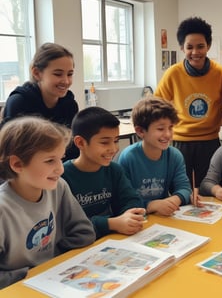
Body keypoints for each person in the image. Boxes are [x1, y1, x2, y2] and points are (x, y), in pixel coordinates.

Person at [0, 116, 95, 289]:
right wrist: (29, 274)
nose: (61, 168)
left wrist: (55, 260)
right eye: (50, 160)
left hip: (53, 279)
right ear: (17, 164)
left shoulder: (58, 186)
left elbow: (84, 233)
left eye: (61, 158)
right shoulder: (3, 208)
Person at [154, 17, 222, 187]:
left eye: (200, 46)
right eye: (189, 47)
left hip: (210, 142)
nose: (195, 52)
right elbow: (157, 106)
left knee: (210, 188)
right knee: (180, 189)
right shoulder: (173, 73)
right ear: (182, 48)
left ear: (208, 46)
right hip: (181, 142)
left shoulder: (221, 74)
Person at [63, 107, 146, 239]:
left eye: (116, 141)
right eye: (104, 142)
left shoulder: (114, 170)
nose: (113, 149)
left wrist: (131, 215)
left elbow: (131, 200)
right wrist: (110, 223)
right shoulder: (63, 178)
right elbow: (67, 225)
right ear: (80, 142)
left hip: (113, 239)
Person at [1, 42, 79, 160]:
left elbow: (72, 149)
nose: (66, 81)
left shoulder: (69, 104)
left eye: (70, 74)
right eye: (58, 74)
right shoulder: (19, 102)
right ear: (37, 73)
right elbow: (12, 153)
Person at [117, 96, 192, 216]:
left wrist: (175, 199)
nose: (167, 134)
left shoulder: (174, 155)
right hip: (137, 218)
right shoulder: (128, 158)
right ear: (140, 131)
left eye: (171, 127)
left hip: (161, 217)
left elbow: (185, 188)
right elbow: (123, 201)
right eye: (160, 129)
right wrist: (151, 205)